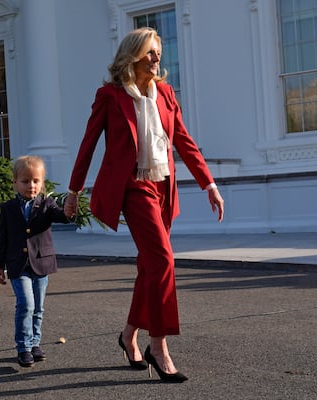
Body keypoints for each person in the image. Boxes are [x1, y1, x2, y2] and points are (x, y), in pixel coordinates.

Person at [64, 27, 224, 382]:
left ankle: (127, 335)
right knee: (163, 260)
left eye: (158, 54)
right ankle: (159, 346)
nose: (157, 59)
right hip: (134, 188)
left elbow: (183, 140)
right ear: (132, 56)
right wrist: (74, 191)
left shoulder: (165, 93)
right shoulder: (110, 95)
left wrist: (208, 184)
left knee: (149, 266)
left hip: (164, 186)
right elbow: (88, 144)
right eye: (150, 53)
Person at [0, 155, 71, 367]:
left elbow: (63, 216)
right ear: (15, 183)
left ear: (42, 183)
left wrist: (70, 207)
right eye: (25, 181)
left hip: (41, 264)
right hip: (18, 265)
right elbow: (2, 238)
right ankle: (23, 347)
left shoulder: (48, 205)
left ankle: (35, 343)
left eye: (36, 181)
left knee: (38, 307)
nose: (31, 185)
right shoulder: (7, 209)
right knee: (26, 305)